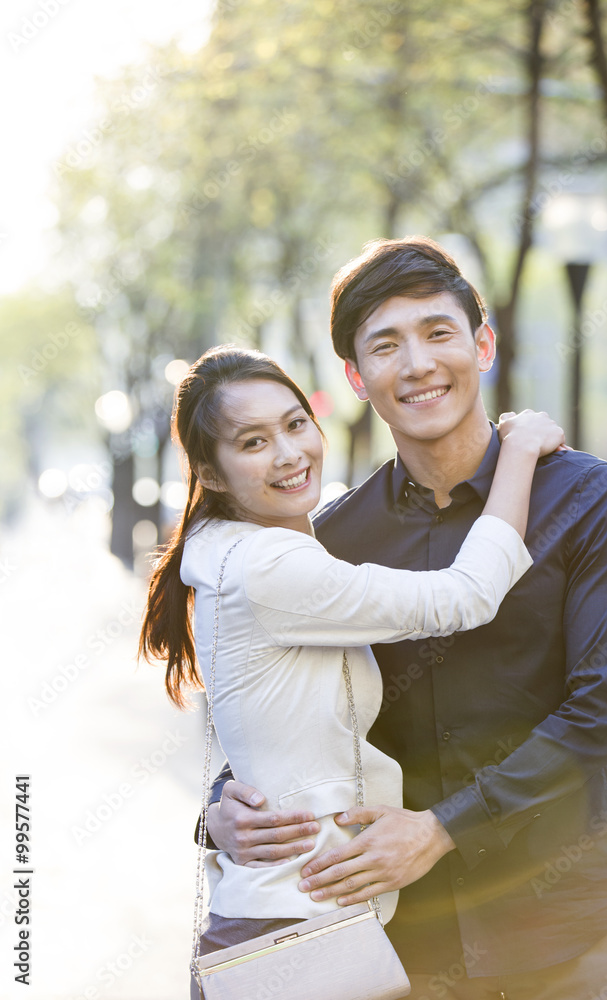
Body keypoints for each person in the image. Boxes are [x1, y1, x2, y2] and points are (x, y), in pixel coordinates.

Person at [208, 237, 607, 1000]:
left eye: (438, 333)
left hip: (565, 934)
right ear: (354, 377)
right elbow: (285, 709)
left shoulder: (584, 498)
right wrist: (219, 808)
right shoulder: (333, 540)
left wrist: (441, 826)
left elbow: (603, 712)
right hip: (398, 945)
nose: (415, 364)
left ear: (481, 345)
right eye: (385, 345)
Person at [139, 343, 564, 995]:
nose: (288, 453)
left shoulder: (230, 551)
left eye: (294, 423)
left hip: (279, 917)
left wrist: (215, 811)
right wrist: (520, 449)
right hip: (297, 930)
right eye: (252, 442)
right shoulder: (273, 566)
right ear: (213, 473)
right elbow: (465, 596)